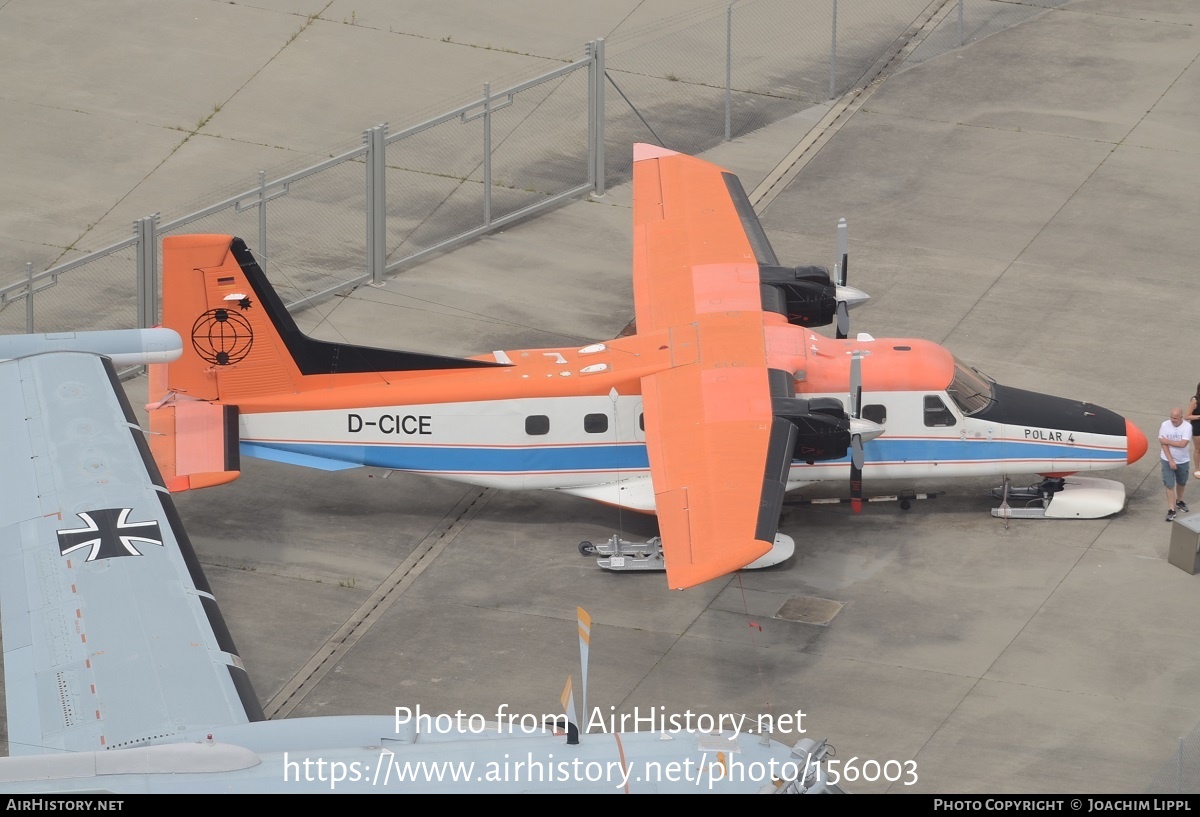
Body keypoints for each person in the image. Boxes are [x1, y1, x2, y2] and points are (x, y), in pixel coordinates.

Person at [1160, 407, 1192, 521]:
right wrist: (1171, 461)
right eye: (1172, 417)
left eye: (1175, 418)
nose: (1173, 420)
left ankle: (1179, 500)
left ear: (1181, 417)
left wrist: (1167, 441)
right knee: (1169, 484)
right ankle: (1171, 509)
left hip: (1183, 460)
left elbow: (1183, 444)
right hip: (1167, 459)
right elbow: (1163, 445)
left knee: (1181, 482)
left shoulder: (1187, 427)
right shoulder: (1164, 425)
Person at [1186, 383, 1200, 478]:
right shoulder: (1195, 401)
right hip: (1197, 426)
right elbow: (1187, 416)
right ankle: (1197, 469)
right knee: (1198, 449)